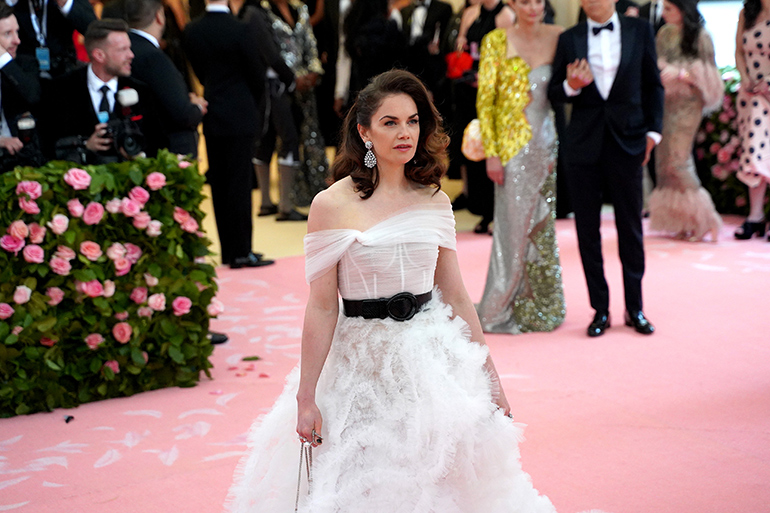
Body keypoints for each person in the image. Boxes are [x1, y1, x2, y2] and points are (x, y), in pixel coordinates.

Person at [224, 69, 591, 513]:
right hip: (360, 364)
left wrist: (492, 382)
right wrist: (307, 395)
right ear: (364, 132)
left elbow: (456, 298)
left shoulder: (435, 199)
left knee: (440, 480)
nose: (405, 133)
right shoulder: (331, 205)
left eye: (413, 121)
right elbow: (321, 308)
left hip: (430, 358)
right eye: (390, 122)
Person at [548, 0, 664, 337]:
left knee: (631, 228)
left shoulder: (639, 30)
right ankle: (599, 310)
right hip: (583, 145)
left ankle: (635, 308)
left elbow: (653, 84)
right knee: (588, 231)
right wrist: (572, 84)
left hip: (629, 141)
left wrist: (653, 133)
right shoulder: (569, 38)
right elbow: (556, 90)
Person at [474, 0, 565, 334]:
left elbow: (563, 92)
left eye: (538, 1)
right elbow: (486, 102)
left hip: (546, 144)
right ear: (512, 3)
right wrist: (492, 153)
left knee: (542, 224)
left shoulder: (560, 37)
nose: (532, 7)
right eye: (524, 1)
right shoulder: (496, 41)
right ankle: (500, 303)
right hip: (511, 149)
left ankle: (540, 302)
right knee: (511, 228)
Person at [183, 0, 274, 268]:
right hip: (241, 111)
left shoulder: (192, 30)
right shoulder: (241, 29)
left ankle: (228, 251)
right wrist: (250, 103)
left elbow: (199, 71)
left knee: (220, 184)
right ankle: (242, 250)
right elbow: (257, 75)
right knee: (240, 184)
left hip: (213, 109)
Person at [40, 18, 165, 164]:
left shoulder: (142, 92)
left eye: (129, 48)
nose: (131, 55)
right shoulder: (60, 90)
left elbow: (159, 144)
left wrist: (135, 152)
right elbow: (48, 146)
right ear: (99, 55)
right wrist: (85, 145)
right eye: (122, 50)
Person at [647, 0, 723, 242]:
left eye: (668, 8)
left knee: (679, 160)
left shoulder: (701, 36)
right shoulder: (664, 33)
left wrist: (682, 73)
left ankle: (706, 220)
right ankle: (683, 220)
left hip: (689, 104)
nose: (663, 14)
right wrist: (662, 68)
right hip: (666, 102)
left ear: (683, 9)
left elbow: (711, 75)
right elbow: (655, 61)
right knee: (665, 162)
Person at [254, 0, 327, 219]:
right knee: (277, 137)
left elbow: (310, 44)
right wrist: (291, 79)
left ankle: (281, 202)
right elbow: (265, 51)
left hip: (304, 85)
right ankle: (276, 204)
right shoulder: (261, 11)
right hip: (275, 83)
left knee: (301, 136)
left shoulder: (301, 8)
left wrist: (314, 72)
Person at [451, 0, 514, 235]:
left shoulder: (505, 14)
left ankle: (496, 213)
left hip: (494, 91)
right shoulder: (472, 13)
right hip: (470, 90)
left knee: (494, 152)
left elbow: (509, 57)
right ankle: (482, 208)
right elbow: (464, 46)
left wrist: (488, 78)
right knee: (474, 149)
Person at [123, 0, 207, 157]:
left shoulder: (124, 48)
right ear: (159, 17)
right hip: (166, 151)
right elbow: (183, 114)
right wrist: (196, 107)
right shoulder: (154, 58)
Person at [734, 0, 770, 241]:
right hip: (750, 95)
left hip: (767, 90)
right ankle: (755, 216)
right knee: (753, 152)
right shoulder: (747, 12)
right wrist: (745, 77)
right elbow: (738, 51)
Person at [0, 3, 44, 171]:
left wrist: (3, 59)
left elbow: (32, 96)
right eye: (7, 34)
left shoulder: (25, 64)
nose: (17, 40)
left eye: (17, 31)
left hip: (21, 158)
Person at [11, 0, 96, 78]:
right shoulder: (15, 4)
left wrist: (65, 3)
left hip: (64, 68)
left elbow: (93, 30)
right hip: (25, 71)